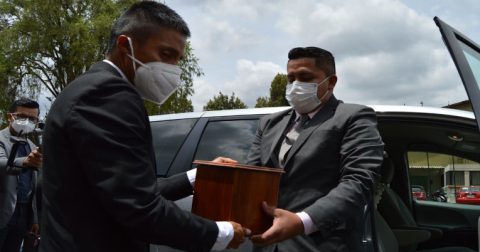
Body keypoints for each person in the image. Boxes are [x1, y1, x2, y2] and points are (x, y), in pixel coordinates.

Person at [40, 2, 247, 252]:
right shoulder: (108, 94)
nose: (174, 70)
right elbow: (139, 208)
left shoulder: (91, 87)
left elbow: (121, 187)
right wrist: (221, 232)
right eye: (166, 55)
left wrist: (199, 177)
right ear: (126, 45)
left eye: (178, 60)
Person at [247, 47, 384, 251]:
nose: (296, 85)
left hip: (321, 244)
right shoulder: (269, 123)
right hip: (266, 244)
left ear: (331, 82)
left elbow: (360, 181)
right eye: (291, 78)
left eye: (305, 77)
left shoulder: (353, 117)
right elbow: (252, 177)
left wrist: (302, 222)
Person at [0, 99, 42, 252]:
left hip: (23, 215)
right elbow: (1, 163)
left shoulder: (32, 146)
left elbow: (33, 185)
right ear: (10, 116)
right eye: (22, 116)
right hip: (3, 210)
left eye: (32, 119)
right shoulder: (1, 139)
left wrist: (34, 218)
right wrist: (25, 162)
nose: (27, 122)